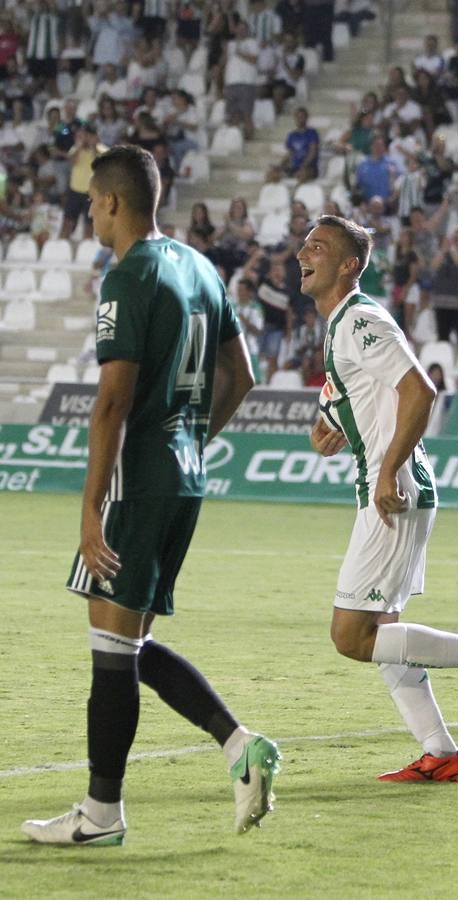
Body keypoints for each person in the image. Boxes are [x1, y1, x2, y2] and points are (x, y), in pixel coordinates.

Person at [21, 145, 280, 847]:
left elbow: (111, 402)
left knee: (110, 645)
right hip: (182, 472)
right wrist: (193, 440)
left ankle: (102, 813)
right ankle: (237, 747)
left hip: (139, 476)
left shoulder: (128, 274)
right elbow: (244, 374)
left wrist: (87, 509)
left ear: (110, 203)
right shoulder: (199, 266)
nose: (90, 216)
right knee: (130, 640)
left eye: (91, 205)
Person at [299, 214, 458, 782]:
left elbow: (420, 390)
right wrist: (331, 428)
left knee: (351, 637)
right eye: (304, 246)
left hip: (392, 493)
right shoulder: (340, 327)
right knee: (384, 635)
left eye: (319, 247)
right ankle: (441, 753)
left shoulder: (359, 319)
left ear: (349, 266)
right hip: (390, 487)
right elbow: (352, 403)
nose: (304, 254)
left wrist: (387, 470)